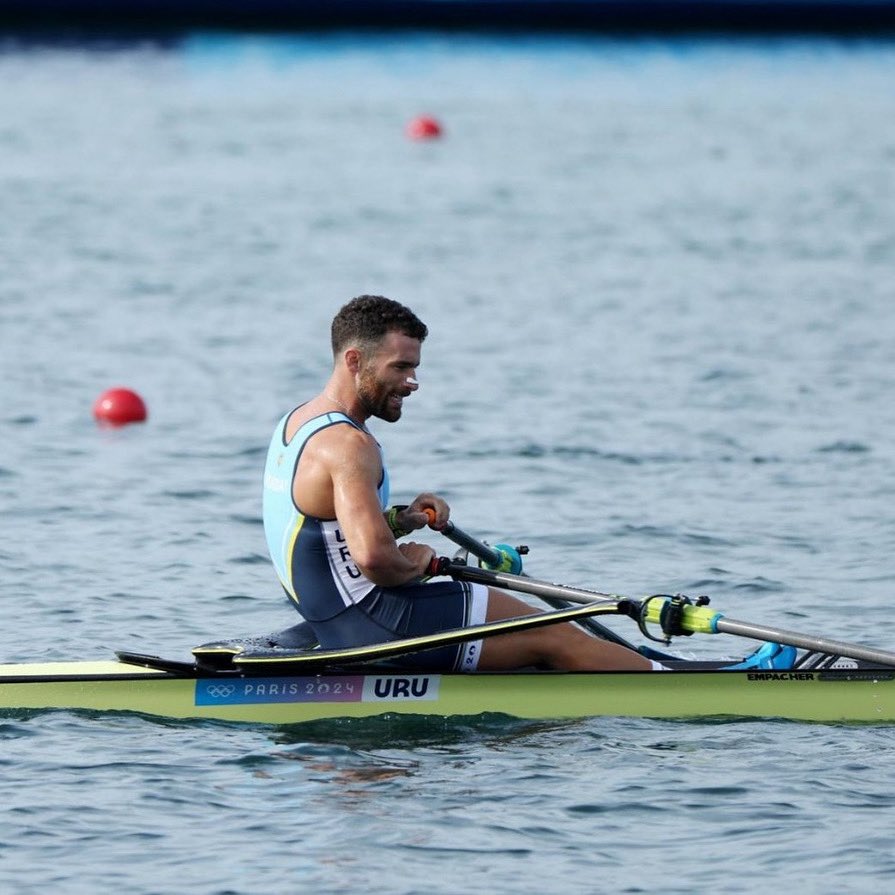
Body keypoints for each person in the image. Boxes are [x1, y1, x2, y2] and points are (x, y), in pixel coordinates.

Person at [262, 295, 661, 672]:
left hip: (338, 622)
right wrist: (413, 565)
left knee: (531, 637)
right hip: (377, 623)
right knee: (556, 635)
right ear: (354, 360)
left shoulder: (297, 424)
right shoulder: (349, 445)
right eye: (400, 367)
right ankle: (667, 683)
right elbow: (375, 560)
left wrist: (400, 521)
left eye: (415, 368)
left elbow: (324, 536)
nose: (412, 382)